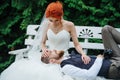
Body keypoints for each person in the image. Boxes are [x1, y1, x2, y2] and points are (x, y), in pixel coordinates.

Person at [0, 1, 90, 80]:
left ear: (61, 15)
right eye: (51, 20)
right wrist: (44, 50)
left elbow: (77, 44)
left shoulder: (69, 25)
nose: (53, 23)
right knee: (27, 71)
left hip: (62, 57)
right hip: (47, 56)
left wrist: (83, 53)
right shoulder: (47, 24)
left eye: (56, 20)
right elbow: (42, 43)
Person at [41, 49, 120, 79]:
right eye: (51, 52)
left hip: (112, 61)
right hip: (112, 69)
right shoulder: (66, 68)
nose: (53, 49)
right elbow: (90, 75)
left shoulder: (68, 56)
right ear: (52, 61)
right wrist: (99, 59)